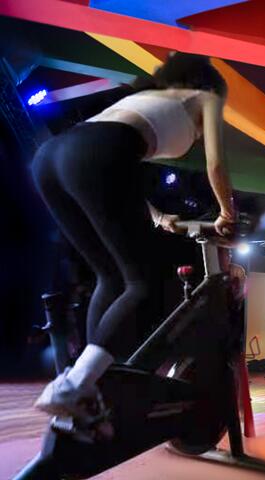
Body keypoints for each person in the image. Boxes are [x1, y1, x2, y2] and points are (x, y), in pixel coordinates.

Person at [33, 52, 233, 418]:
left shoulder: (145, 100)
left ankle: (90, 384)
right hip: (94, 155)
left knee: (110, 276)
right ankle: (74, 385)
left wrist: (158, 216)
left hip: (51, 158)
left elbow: (117, 174)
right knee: (147, 282)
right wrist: (226, 214)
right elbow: (216, 163)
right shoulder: (207, 98)